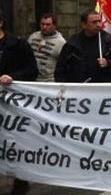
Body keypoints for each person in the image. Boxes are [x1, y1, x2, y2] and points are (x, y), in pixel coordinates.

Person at [0, 11, 37, 195]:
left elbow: (32, 70)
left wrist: (13, 77)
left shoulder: (18, 44)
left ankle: (20, 180)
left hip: (11, 102)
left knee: (14, 140)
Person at [55, 10, 111, 82]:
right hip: (79, 88)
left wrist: (108, 63)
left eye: (99, 21)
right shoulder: (73, 44)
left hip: (102, 87)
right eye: (94, 22)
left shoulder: (108, 41)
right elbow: (61, 69)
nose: (98, 25)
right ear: (84, 25)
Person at [27, 12, 66, 82]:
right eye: (42, 24)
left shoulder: (61, 42)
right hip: (32, 80)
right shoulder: (33, 36)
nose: (44, 27)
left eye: (48, 25)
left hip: (49, 82)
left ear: (54, 25)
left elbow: (64, 65)